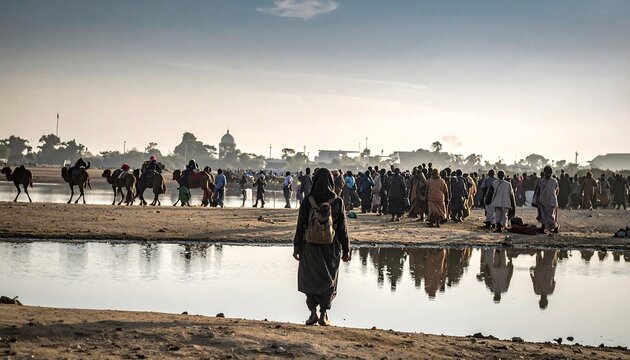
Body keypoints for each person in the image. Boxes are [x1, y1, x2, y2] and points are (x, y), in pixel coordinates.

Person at [293, 168, 350, 326]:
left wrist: (297, 247)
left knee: (310, 279)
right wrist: (346, 250)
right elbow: (342, 229)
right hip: (331, 249)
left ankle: (312, 314)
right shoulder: (337, 202)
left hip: (309, 248)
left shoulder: (307, 202)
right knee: (329, 280)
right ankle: (324, 314)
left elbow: (300, 226)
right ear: (331, 182)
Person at [534, 166, 560, 234]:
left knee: (551, 216)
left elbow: (557, 191)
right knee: (543, 216)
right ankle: (544, 227)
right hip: (543, 201)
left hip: (551, 201)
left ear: (551, 173)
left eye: (549, 173)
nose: (548, 174)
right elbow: (538, 190)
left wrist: (552, 197)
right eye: (546, 172)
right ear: (544, 172)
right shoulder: (541, 181)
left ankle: (555, 227)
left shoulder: (554, 181)